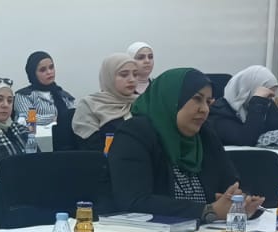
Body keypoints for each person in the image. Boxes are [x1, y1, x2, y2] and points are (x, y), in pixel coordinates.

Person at [109, 68, 263, 223]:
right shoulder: (135, 133)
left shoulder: (205, 135)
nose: (205, 109)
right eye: (197, 99)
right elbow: (134, 201)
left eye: (208, 102)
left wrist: (241, 201)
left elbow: (232, 183)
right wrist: (208, 211)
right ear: (171, 98)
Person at [209, 66, 278, 147]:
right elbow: (247, 140)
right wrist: (257, 102)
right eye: (267, 95)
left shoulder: (264, 104)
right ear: (248, 91)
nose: (270, 100)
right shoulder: (218, 113)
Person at [70, 53, 142, 150]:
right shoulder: (90, 105)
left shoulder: (141, 102)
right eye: (124, 75)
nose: (132, 80)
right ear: (109, 76)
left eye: (135, 74)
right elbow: (91, 147)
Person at [13, 51, 77, 125]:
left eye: (51, 67)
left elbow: (75, 117)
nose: (49, 72)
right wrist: (56, 118)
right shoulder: (24, 95)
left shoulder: (64, 95)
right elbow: (29, 119)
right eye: (43, 70)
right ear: (33, 74)